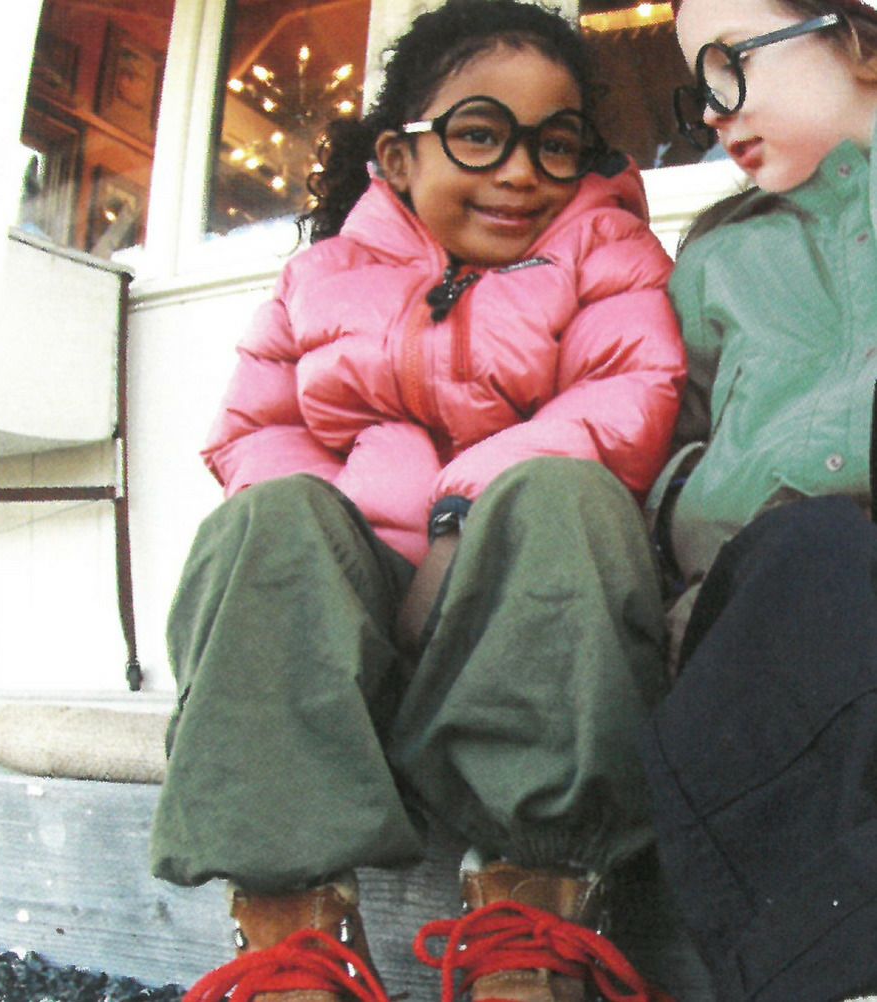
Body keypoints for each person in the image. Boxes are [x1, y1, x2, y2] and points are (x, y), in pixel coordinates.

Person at [152, 1, 686, 1000]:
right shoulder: (320, 278)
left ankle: (534, 908)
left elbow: (628, 399)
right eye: (481, 135)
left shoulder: (605, 253)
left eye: (555, 144)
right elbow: (255, 433)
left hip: (522, 656)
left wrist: (455, 520)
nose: (520, 171)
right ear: (398, 158)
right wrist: (350, 550)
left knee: (563, 496)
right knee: (266, 518)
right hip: (353, 644)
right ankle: (294, 928)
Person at [643, 2, 877, 1000]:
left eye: (731, 65)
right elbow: (667, 445)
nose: (711, 110)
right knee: (813, 553)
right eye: (699, 87)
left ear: (859, 36)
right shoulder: (717, 260)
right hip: (770, 611)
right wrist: (703, 502)